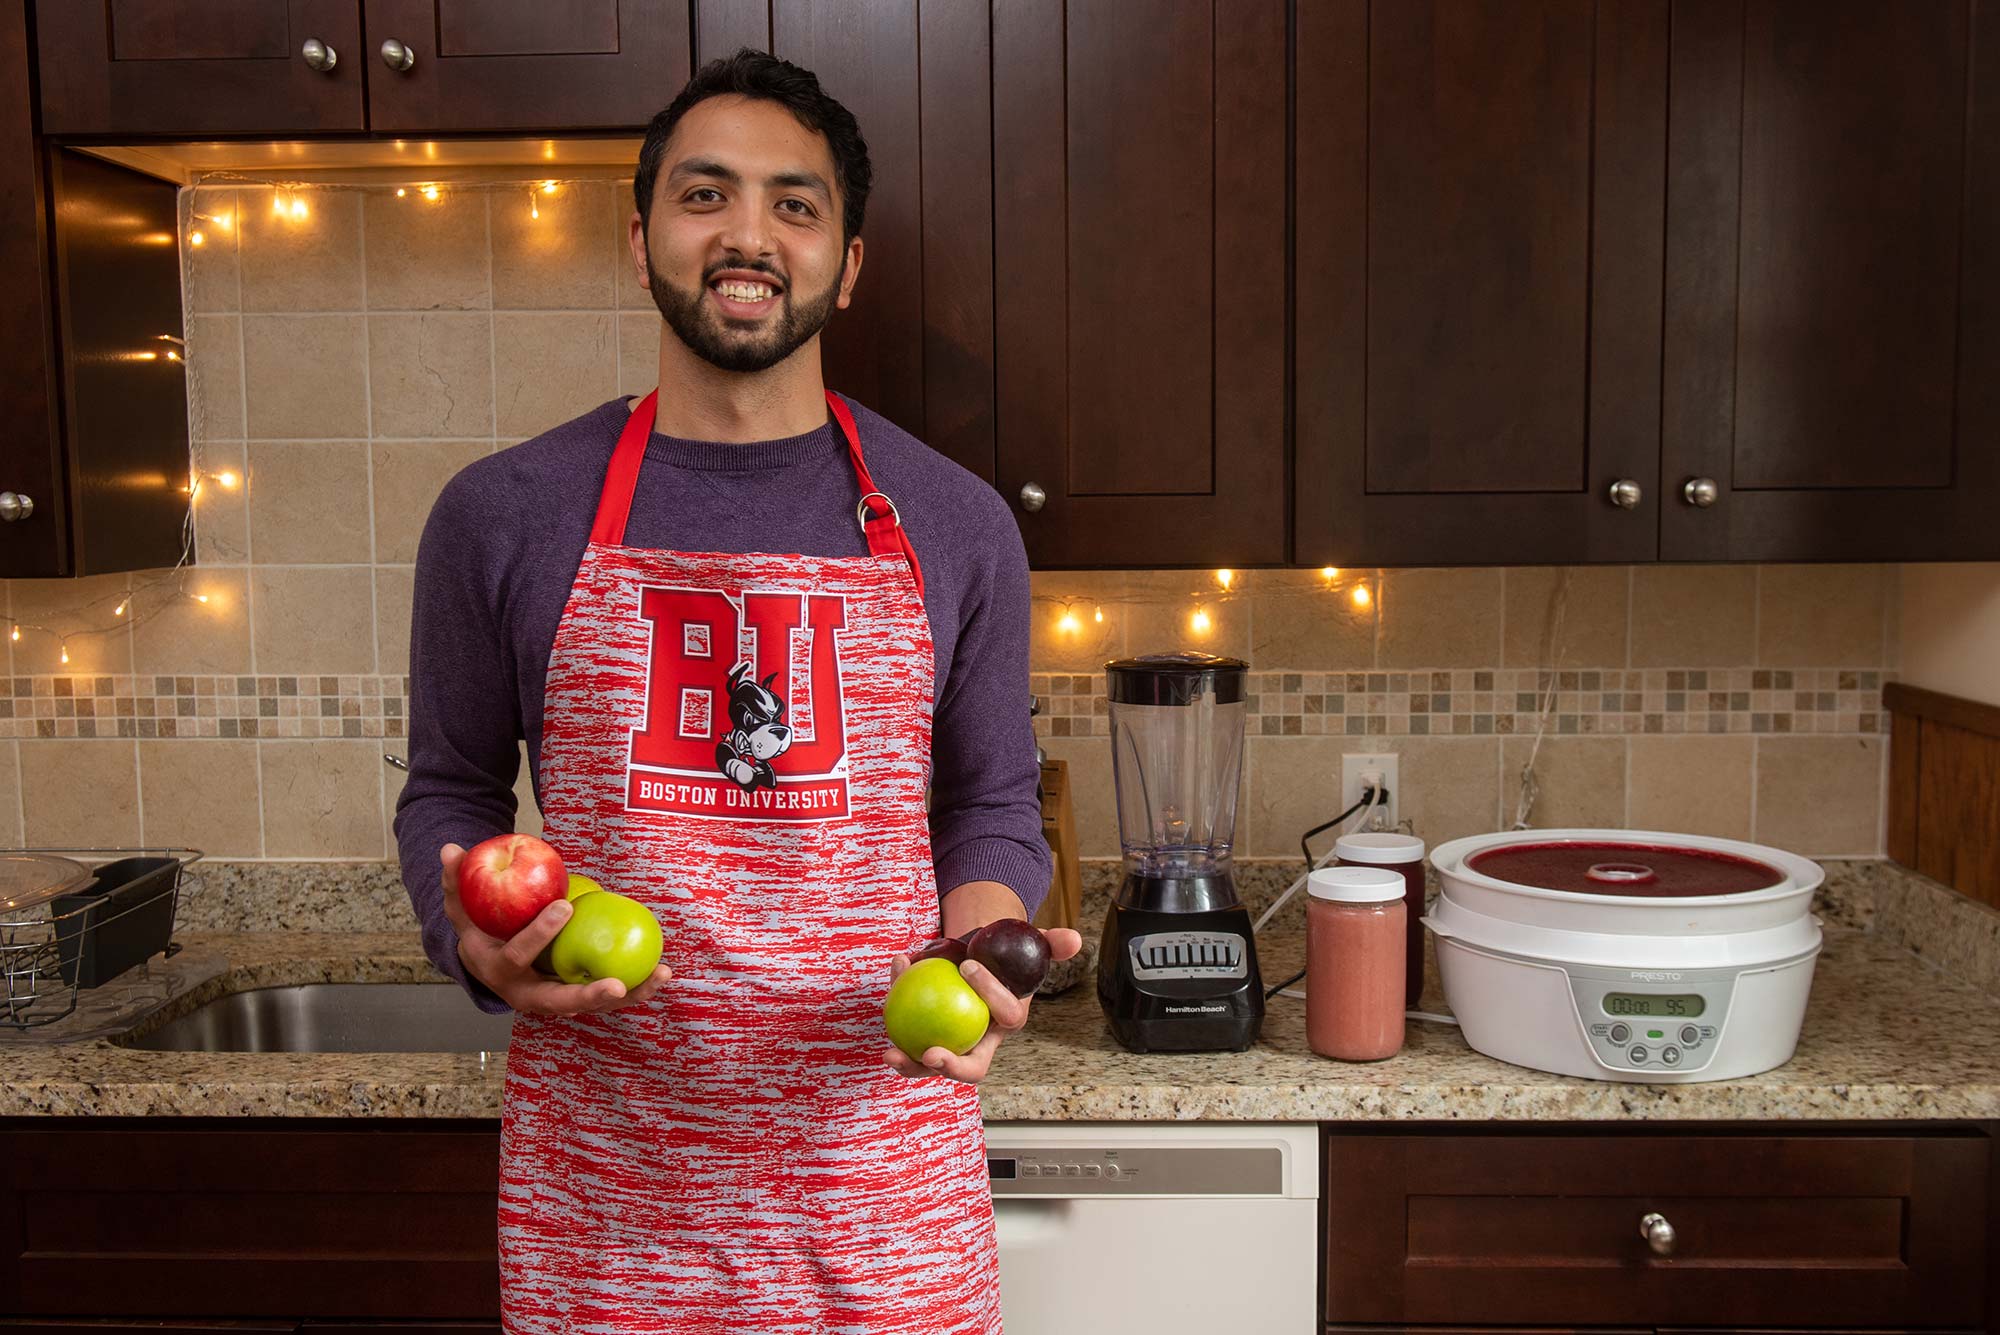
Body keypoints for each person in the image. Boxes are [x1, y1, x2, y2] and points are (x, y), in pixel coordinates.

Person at [394, 49, 1079, 1335]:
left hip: (882, 1194)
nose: (746, 234)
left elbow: (988, 800)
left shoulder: (956, 520)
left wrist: (983, 945)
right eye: (704, 195)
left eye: (795, 203)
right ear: (640, 232)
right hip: (602, 1204)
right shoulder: (502, 515)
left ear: (848, 259)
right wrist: (473, 942)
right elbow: (451, 789)